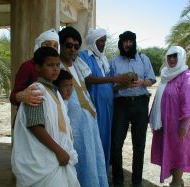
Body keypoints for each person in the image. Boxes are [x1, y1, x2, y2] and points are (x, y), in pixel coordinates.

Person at [11, 46, 80, 187]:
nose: (55, 69)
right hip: (45, 162)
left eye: (57, 65)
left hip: (57, 158)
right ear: (38, 67)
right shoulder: (36, 91)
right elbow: (36, 126)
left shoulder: (52, 90)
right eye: (50, 65)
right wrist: (59, 151)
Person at [149, 46, 190, 187]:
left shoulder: (188, 77)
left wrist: (184, 126)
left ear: (181, 58)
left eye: (175, 56)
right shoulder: (166, 75)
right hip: (166, 124)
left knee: (178, 153)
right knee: (170, 151)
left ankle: (176, 183)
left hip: (181, 126)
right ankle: (178, 181)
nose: (172, 59)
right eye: (170, 56)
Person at [58, 26, 108, 187]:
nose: (72, 49)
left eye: (76, 46)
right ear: (60, 45)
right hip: (73, 126)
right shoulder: (55, 67)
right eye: (68, 45)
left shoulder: (77, 64)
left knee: (91, 159)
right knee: (78, 161)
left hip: (88, 123)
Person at [78, 28, 131, 175]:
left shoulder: (103, 59)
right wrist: (115, 79)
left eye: (105, 41)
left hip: (108, 107)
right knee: (95, 139)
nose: (103, 44)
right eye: (101, 41)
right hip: (94, 105)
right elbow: (88, 79)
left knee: (106, 140)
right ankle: (93, 175)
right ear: (93, 41)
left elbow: (109, 86)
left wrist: (122, 84)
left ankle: (102, 174)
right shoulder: (83, 56)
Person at [110, 30, 156, 186]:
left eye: (130, 41)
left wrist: (142, 82)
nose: (128, 44)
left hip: (141, 104)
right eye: (125, 41)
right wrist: (120, 84)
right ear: (121, 43)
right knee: (116, 144)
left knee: (139, 145)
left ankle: (137, 182)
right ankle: (118, 180)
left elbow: (152, 79)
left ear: (134, 43)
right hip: (121, 105)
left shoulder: (143, 59)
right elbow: (110, 87)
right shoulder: (114, 61)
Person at [10, 28, 59, 107]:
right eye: (47, 44)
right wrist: (22, 96)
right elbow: (12, 97)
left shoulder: (58, 67)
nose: (51, 48)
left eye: (55, 46)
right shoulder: (28, 66)